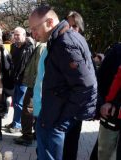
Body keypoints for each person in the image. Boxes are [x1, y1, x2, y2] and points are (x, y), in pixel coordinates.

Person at [29, 6, 97, 160]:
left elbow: (86, 85)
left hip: (55, 119)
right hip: (52, 116)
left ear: (50, 22)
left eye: (35, 29)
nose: (33, 34)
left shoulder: (65, 42)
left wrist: (63, 122)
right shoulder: (62, 39)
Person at [14, 35, 46, 146]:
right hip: (35, 84)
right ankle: (34, 134)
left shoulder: (42, 46)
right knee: (33, 109)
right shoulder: (41, 45)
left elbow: (39, 67)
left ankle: (27, 137)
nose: (33, 33)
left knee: (27, 109)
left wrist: (34, 82)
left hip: (34, 85)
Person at [63, 10, 86, 160]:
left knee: (71, 144)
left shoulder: (83, 47)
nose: (71, 29)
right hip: (61, 103)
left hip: (76, 105)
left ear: (80, 27)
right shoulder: (60, 45)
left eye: (74, 26)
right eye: (68, 26)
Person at [5, 27, 35, 133]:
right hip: (15, 79)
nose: (16, 37)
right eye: (15, 34)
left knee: (20, 103)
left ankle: (18, 125)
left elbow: (29, 66)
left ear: (24, 35)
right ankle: (14, 122)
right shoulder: (13, 46)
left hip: (24, 80)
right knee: (15, 102)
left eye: (18, 35)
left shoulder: (29, 48)